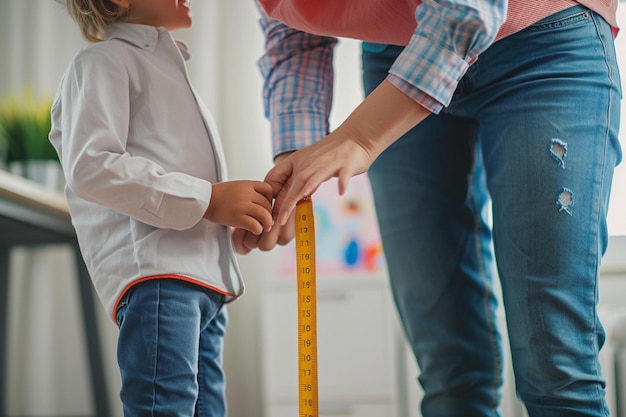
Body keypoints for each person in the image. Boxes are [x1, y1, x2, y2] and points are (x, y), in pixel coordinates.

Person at [233, 1, 622, 416]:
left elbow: (468, 9)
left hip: (542, 31)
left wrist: (362, 138)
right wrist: (298, 165)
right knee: (449, 376)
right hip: (399, 52)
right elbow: (294, 28)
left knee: (555, 368)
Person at [49, 0, 274, 415]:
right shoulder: (102, 62)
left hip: (205, 281)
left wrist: (226, 220)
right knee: (164, 407)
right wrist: (210, 200)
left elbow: (171, 163)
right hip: (161, 278)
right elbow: (92, 166)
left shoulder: (167, 66)